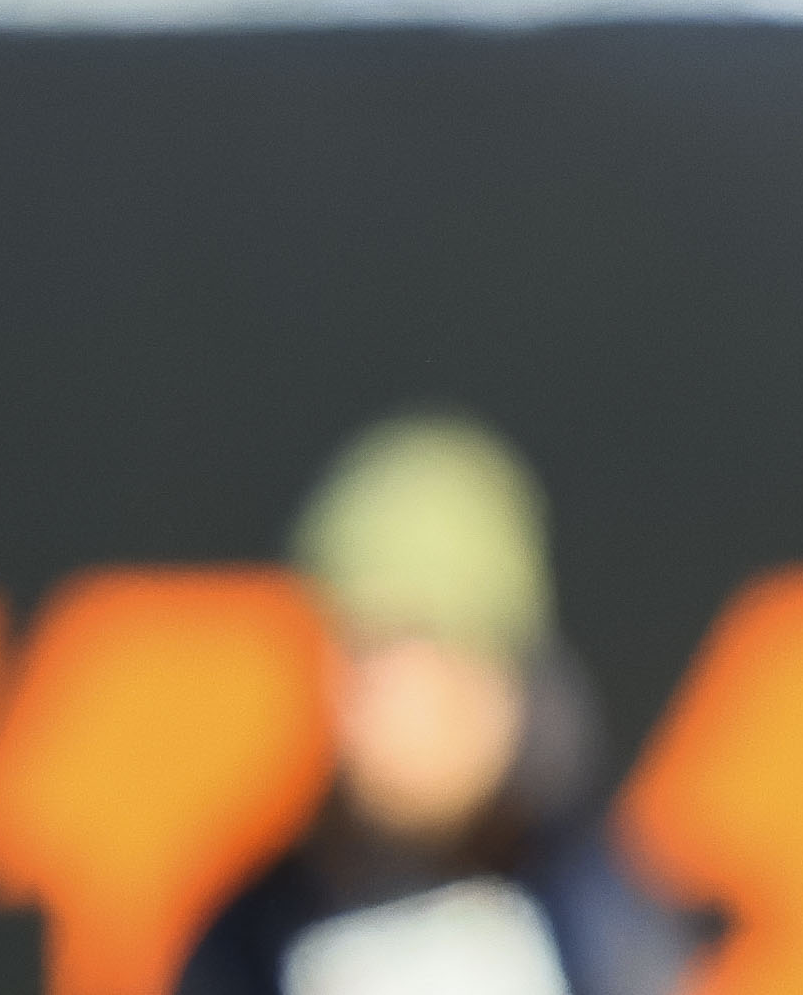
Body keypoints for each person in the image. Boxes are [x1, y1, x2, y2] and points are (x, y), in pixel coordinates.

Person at [176, 415, 688, 995]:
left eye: (391, 649)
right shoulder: (254, 934)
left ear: (493, 678)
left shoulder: (599, 914)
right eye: (344, 651)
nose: (355, 698)